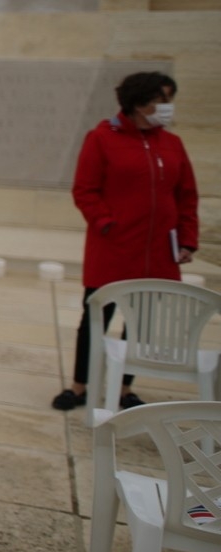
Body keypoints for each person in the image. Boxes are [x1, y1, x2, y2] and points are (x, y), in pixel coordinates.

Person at [53, 71, 200, 411]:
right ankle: (79, 386)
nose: (167, 106)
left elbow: (186, 196)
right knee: (96, 320)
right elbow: (85, 190)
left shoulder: (172, 144)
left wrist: (187, 239)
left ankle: (124, 388)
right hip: (114, 249)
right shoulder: (102, 139)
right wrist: (107, 225)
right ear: (138, 102)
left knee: (142, 325)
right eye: (161, 99)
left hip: (158, 252)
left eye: (170, 99)